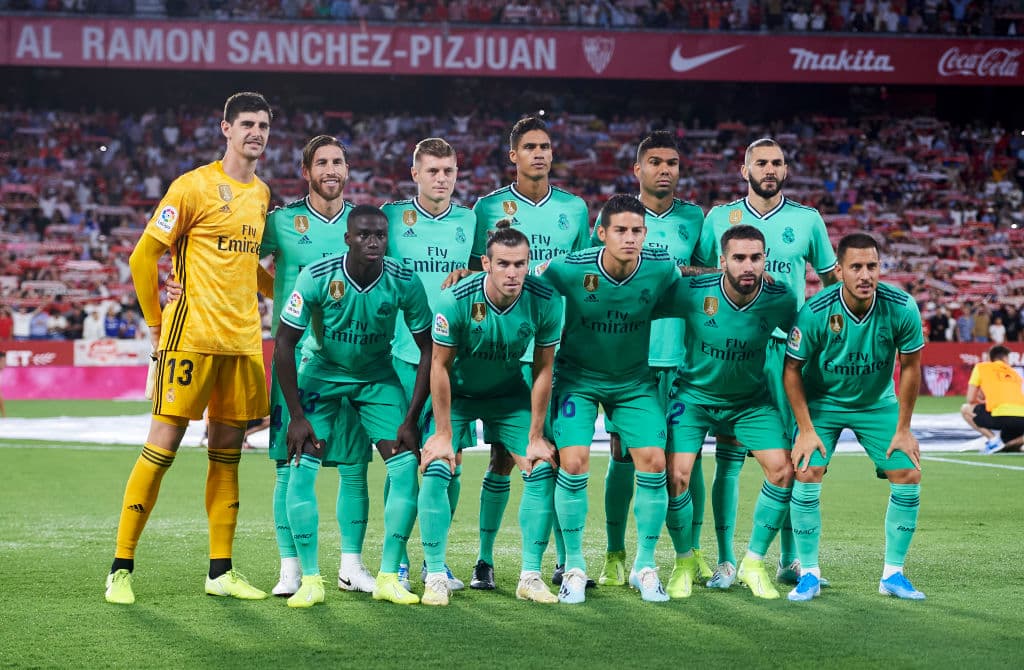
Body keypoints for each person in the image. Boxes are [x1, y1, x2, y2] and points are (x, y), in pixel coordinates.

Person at [104, 91, 274, 606]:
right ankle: (120, 569)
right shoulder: (192, 186)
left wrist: (291, 292)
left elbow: (251, 268)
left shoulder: (262, 193)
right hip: (190, 338)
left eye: (264, 125)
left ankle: (221, 571)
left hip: (242, 343)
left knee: (227, 459)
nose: (256, 133)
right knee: (161, 451)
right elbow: (142, 257)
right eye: (247, 124)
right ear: (226, 129)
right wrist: (157, 325)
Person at [693, 136, 838, 589]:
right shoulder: (719, 218)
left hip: (788, 354)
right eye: (761, 163)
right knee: (729, 457)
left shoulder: (807, 220)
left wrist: (829, 337)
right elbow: (698, 275)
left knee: (795, 455)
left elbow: (832, 284)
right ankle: (725, 559)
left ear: (786, 170)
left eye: (777, 163)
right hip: (734, 351)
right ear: (745, 169)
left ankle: (790, 560)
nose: (769, 169)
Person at [274, 205, 432, 608]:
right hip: (322, 373)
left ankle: (388, 576)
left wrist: (411, 418)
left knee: (405, 468)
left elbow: (429, 347)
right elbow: (285, 343)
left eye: (380, 235)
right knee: (300, 468)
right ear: (348, 239)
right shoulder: (317, 276)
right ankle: (310, 579)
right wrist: (296, 416)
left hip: (376, 377)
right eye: (364, 235)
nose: (373, 242)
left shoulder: (404, 280)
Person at [457, 115, 589, 590]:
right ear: (513, 155)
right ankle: (484, 560)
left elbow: (583, 275)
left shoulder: (575, 209)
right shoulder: (488, 207)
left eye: (545, 147)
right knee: (501, 458)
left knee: (554, 454)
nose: (539, 154)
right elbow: (476, 275)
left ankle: (562, 561)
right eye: (529, 147)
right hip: (505, 355)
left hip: (557, 348)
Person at [536, 194, 681, 604]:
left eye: (636, 230)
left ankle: (644, 566)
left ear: (645, 234)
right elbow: (522, 285)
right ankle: (574, 566)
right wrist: (472, 276)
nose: (629, 238)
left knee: (654, 461)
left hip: (634, 382)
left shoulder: (661, 268)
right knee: (573, 461)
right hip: (578, 379)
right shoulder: (569, 267)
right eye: (620, 230)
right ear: (601, 233)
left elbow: (692, 291)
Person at [591, 130, 712, 588]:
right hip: (631, 359)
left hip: (682, 358)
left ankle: (691, 551)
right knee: (623, 455)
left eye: (672, 162)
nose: (665, 170)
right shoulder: (618, 217)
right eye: (656, 162)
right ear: (637, 169)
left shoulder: (694, 218)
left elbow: (709, 281)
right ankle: (615, 553)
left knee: (687, 457)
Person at [419, 221, 563, 605]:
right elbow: (439, 366)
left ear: (529, 263)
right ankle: (435, 574)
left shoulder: (545, 299)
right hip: (459, 394)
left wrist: (536, 436)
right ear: (486, 263)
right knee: (437, 466)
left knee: (541, 466)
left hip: (508, 394)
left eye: (520, 264)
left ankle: (530, 576)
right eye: (503, 264)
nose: (512, 273)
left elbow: (543, 368)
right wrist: (443, 434)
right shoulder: (454, 300)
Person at [260, 135, 376, 597]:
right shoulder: (281, 222)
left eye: (338, 162)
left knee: (354, 465)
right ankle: (290, 567)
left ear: (347, 170)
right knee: (289, 466)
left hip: (353, 360)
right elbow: (243, 262)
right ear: (306, 171)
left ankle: (351, 566)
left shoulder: (364, 224)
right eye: (322, 162)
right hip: (296, 362)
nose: (331, 170)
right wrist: (275, 291)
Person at [784, 233, 926, 602]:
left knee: (908, 472)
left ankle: (893, 574)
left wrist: (904, 429)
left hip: (877, 403)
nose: (865, 275)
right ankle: (809, 573)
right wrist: (805, 430)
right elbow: (792, 370)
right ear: (840, 271)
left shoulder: (902, 307)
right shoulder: (816, 311)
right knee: (807, 469)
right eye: (856, 267)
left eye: (872, 266)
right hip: (823, 402)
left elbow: (911, 367)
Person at [659, 225, 798, 599]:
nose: (748, 266)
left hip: (749, 402)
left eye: (755, 257)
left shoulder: (781, 298)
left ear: (766, 259)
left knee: (783, 470)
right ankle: (684, 561)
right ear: (722, 261)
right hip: (693, 397)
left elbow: (807, 344)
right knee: (676, 476)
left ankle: (753, 563)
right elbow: (644, 301)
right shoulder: (693, 291)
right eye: (738, 258)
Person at [382, 137, 476, 591]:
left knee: (450, 460)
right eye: (433, 171)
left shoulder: (470, 220)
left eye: (449, 171)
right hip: (402, 354)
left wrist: (471, 273)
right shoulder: (390, 217)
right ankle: (396, 560)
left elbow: (484, 272)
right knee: (402, 463)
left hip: (454, 359)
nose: (442, 179)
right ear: (415, 173)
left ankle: (434, 560)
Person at [961, 344, 1024, 454]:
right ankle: (1009, 444)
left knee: (965, 409)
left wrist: (982, 402)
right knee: (1008, 443)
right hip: (1021, 418)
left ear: (990, 358)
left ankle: (993, 440)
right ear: (1005, 358)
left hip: (1000, 416)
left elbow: (970, 399)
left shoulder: (981, 367)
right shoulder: (1015, 373)